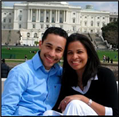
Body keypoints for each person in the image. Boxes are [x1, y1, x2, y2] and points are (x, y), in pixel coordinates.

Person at [43, 33, 118, 116]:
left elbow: (115, 113)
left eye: (79, 52)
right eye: (70, 53)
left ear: (88, 54)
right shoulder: (66, 77)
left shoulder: (104, 75)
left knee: (75, 104)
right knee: (49, 113)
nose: (74, 57)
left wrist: (82, 99)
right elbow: (59, 107)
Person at [2, 27, 68, 116]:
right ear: (40, 44)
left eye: (58, 50)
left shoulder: (60, 74)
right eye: (49, 46)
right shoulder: (20, 72)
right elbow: (6, 110)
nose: (52, 54)